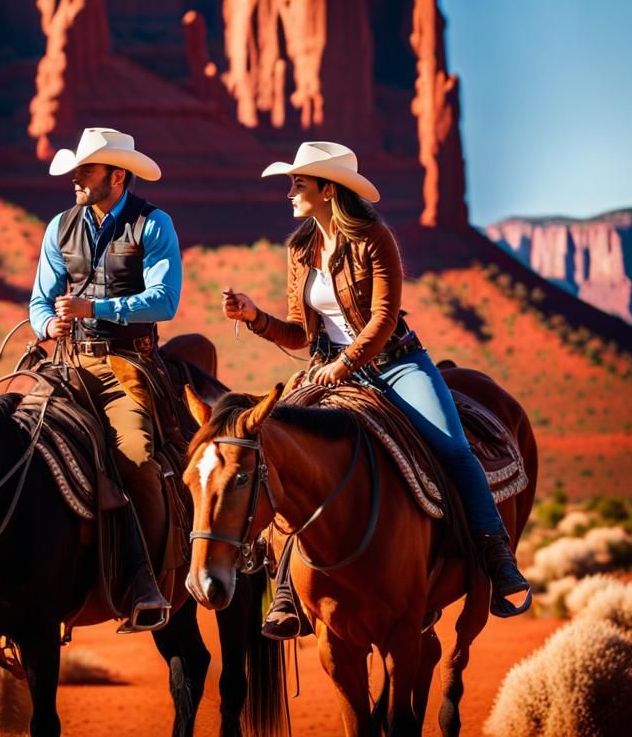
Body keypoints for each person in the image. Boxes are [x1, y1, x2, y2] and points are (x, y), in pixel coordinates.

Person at [221, 141, 531, 638]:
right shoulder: (300, 248)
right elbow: (300, 333)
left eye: (299, 183)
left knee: (454, 449)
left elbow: (384, 317)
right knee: (276, 447)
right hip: (327, 368)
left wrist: (345, 364)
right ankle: (285, 584)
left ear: (328, 189)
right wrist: (255, 317)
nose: (290, 192)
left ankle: (497, 556)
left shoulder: (373, 238)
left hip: (394, 364)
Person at [29, 126, 183, 633]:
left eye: (87, 170)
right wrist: (47, 325)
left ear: (117, 176)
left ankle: (149, 581)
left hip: (126, 365)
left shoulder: (152, 224)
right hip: (69, 362)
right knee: (19, 440)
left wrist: (94, 308)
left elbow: (164, 300)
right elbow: (40, 299)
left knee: (136, 457)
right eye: (76, 169)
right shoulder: (60, 227)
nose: (76, 178)